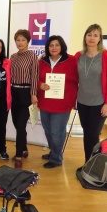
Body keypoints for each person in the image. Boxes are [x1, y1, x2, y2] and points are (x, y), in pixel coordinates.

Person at [74, 24, 107, 163]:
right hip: (82, 102)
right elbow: (68, 69)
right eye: (89, 35)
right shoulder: (79, 56)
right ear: (85, 37)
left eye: (95, 35)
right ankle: (89, 163)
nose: (92, 38)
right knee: (87, 134)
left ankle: (93, 165)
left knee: (93, 135)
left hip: (99, 103)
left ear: (100, 39)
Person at [38, 35, 78, 168]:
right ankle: (54, 152)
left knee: (57, 132)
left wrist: (75, 99)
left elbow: (78, 81)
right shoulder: (42, 61)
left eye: (57, 45)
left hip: (63, 104)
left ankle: (56, 158)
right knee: (48, 130)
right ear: (47, 47)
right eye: (51, 45)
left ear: (62, 46)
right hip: (45, 103)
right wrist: (40, 84)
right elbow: (37, 78)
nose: (54, 48)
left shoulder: (72, 60)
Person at [10, 29, 39, 169]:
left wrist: (34, 94)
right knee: (17, 124)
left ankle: (19, 156)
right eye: (17, 40)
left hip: (26, 94)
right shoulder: (13, 57)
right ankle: (25, 148)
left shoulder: (33, 56)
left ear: (28, 41)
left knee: (21, 125)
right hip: (14, 93)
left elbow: (35, 77)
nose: (20, 42)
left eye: (23, 40)